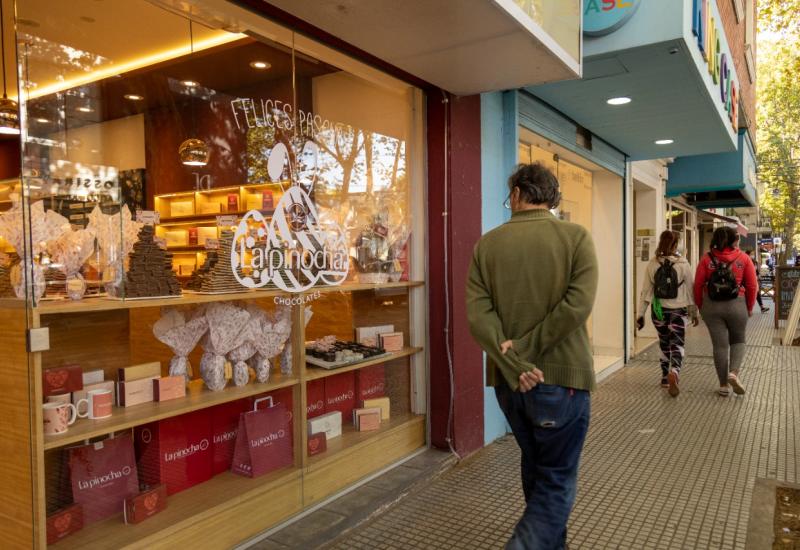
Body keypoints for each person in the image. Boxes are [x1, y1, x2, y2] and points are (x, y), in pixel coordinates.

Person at [466, 163, 598, 550]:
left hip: (510, 386)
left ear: (519, 195)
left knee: (537, 468)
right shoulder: (576, 238)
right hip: (562, 382)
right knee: (556, 479)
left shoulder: (486, 245)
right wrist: (527, 353)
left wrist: (515, 362)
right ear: (552, 198)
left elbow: (479, 316)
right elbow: (577, 306)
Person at [694, 227, 758, 396]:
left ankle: (723, 385)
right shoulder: (743, 258)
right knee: (738, 340)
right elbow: (752, 285)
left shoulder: (706, 259)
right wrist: (749, 307)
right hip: (737, 305)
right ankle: (733, 373)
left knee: (719, 346)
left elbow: (698, 284)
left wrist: (701, 306)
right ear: (732, 240)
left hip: (712, 306)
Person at [636, 230, 698, 397]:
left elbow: (646, 292)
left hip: (659, 311)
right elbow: (691, 291)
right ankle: (675, 371)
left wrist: (640, 314)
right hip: (678, 310)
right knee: (677, 343)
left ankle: (664, 377)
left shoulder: (652, 264)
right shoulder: (684, 264)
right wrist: (694, 312)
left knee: (664, 342)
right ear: (675, 245)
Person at [745, 249, 770, 314]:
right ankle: (749, 308)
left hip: (754, 280)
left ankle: (761, 307)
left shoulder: (755, 262)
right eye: (751, 254)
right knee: (750, 294)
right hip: (747, 280)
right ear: (747, 254)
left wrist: (759, 276)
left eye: (753, 254)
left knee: (757, 293)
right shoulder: (745, 261)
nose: (752, 255)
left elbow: (756, 271)